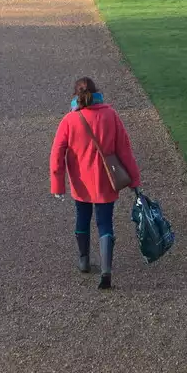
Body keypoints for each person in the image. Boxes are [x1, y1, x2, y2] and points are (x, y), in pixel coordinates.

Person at [50, 76, 142, 290]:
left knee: (82, 218)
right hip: (105, 181)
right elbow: (125, 150)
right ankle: (106, 269)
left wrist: (57, 184)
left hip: (81, 182)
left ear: (76, 96)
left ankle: (83, 261)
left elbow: (57, 154)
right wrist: (134, 180)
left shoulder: (69, 120)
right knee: (105, 222)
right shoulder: (111, 115)